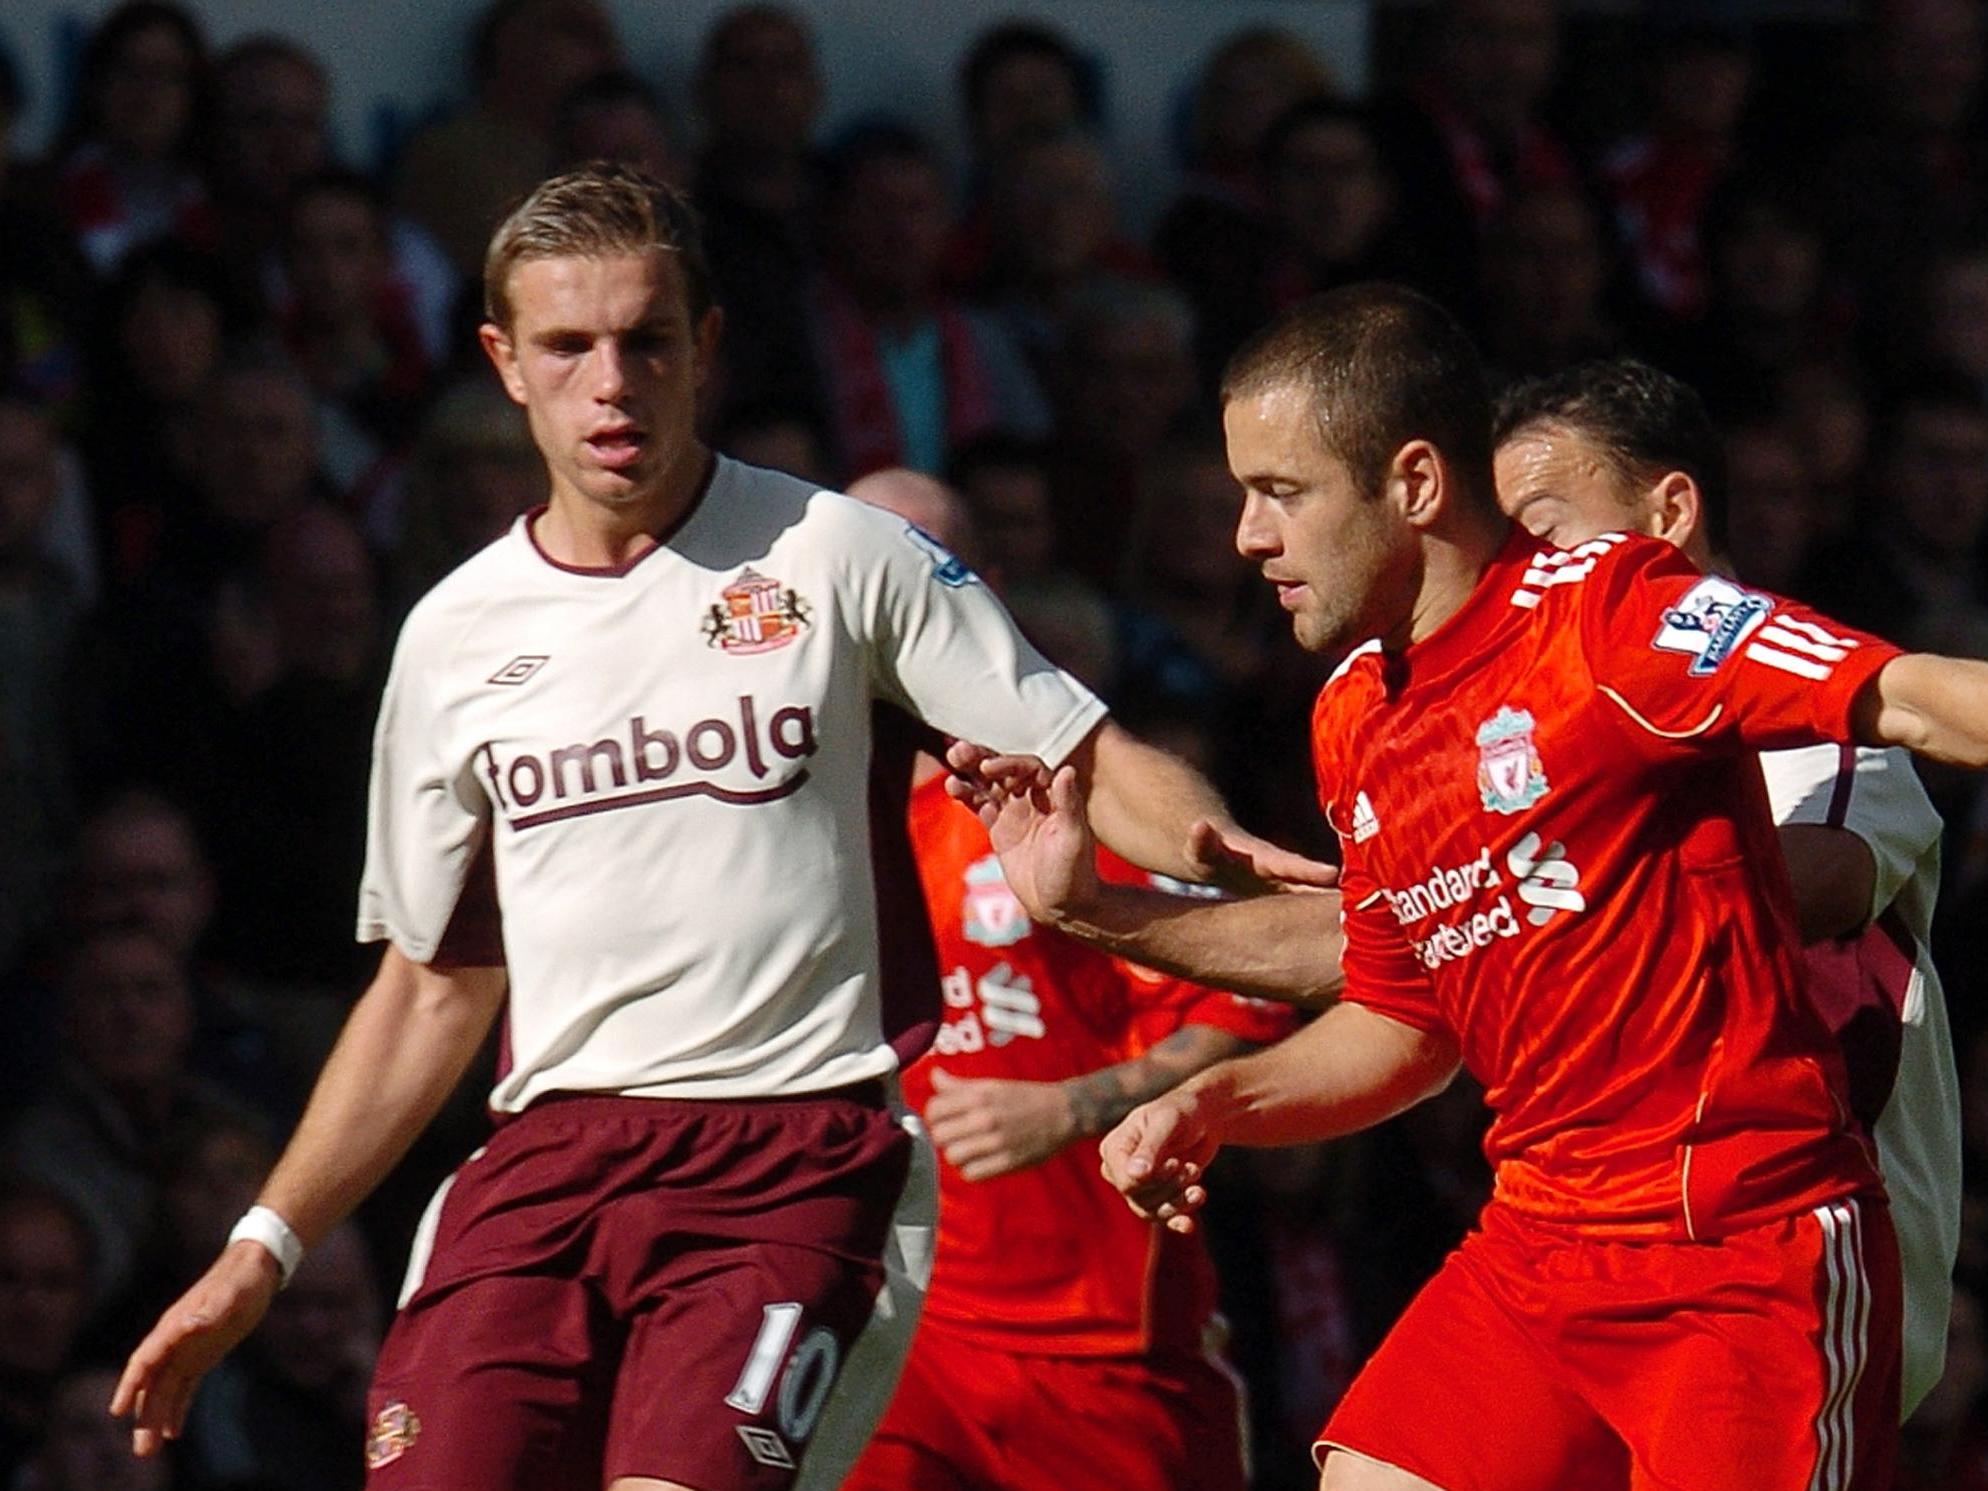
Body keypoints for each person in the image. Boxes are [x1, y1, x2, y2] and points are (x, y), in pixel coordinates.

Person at [110, 163, 1319, 1491]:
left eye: (647, 339)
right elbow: (429, 989)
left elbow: (1085, 750)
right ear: (505, 361)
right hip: (545, 1160)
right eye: (569, 346)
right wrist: (258, 1251)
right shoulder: (455, 633)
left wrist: (1207, 847)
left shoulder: (838, 552)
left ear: (710, 347)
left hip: (790, 1153)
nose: (611, 382)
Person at [957, 282, 1988, 1490]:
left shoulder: (1607, 614)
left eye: (1280, 492)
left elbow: (1913, 698)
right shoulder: (1355, 714)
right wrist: (1207, 1084)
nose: (1245, 534)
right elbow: (1405, 1020)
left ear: (1410, 485)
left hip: (1738, 1250)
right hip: (1541, 1241)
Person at [1491, 355, 1960, 1421]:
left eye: (1544, 527)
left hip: (1796, 1293)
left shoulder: (1804, 704)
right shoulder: (1518, 740)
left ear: (1668, 512)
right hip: (1599, 1253)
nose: (1520, 574)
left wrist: (1547, 899)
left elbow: (1825, 880)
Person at [841, 468, 1295, 1491]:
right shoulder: (803, 820)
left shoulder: (1063, 809)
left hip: (1098, 1347)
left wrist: (1072, 1105)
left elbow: (1245, 997)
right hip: (901, 1342)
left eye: (909, 569)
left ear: (975, 594)